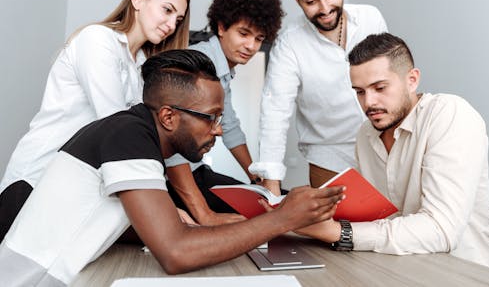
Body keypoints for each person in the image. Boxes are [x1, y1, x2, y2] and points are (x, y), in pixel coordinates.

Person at [0, 50, 345, 286]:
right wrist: (281, 218)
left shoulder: (134, 133)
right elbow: (175, 253)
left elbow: (151, 231)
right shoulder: (128, 135)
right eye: (211, 118)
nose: (219, 129)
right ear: (168, 116)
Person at [0, 0, 191, 241]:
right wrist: (164, 207)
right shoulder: (98, 40)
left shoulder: (139, 67)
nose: (171, 24)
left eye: (178, 20)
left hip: (72, 191)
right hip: (34, 183)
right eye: (167, 10)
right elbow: (117, 128)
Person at [292, 33, 489, 268]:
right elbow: (371, 215)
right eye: (359, 92)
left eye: (379, 88)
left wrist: (341, 233)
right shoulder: (366, 133)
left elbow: (441, 230)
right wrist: (309, 214)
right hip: (398, 267)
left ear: (412, 80)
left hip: (464, 274)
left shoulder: (450, 114)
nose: (369, 102)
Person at [249, 0, 388, 195]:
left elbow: (390, 78)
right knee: (337, 230)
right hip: (329, 157)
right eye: (311, 1)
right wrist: (271, 183)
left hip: (383, 145)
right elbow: (275, 112)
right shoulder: (289, 44)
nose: (324, 8)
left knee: (391, 225)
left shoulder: (370, 18)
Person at [165, 0, 285, 225]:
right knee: (261, 214)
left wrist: (256, 179)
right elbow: (171, 141)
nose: (251, 46)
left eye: (259, 38)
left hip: (197, 171)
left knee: (268, 202)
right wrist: (202, 213)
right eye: (243, 33)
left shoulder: (222, 71)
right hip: (174, 179)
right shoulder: (199, 65)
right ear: (221, 27)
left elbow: (229, 126)